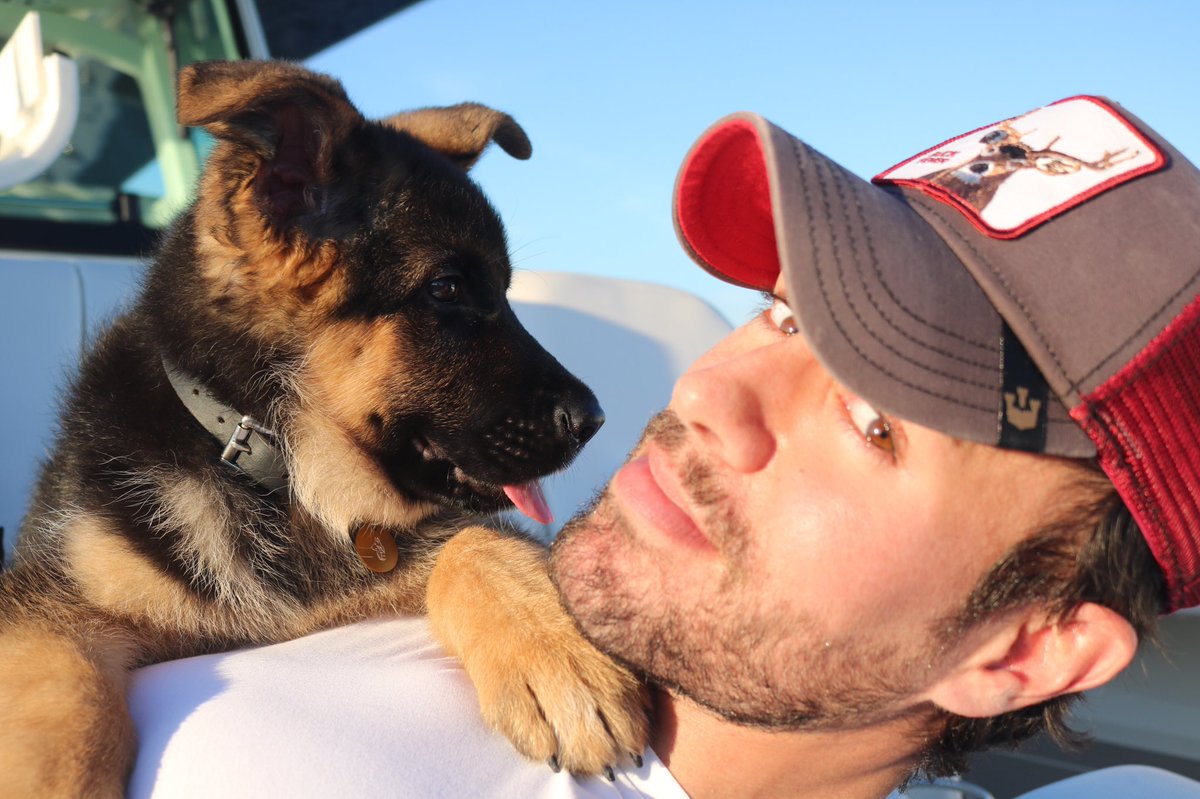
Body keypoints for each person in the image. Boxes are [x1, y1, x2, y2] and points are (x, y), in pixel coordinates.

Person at [128, 95, 1200, 799]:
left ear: (1026, 651)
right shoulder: (217, 749)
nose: (705, 388)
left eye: (875, 421)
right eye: (782, 314)